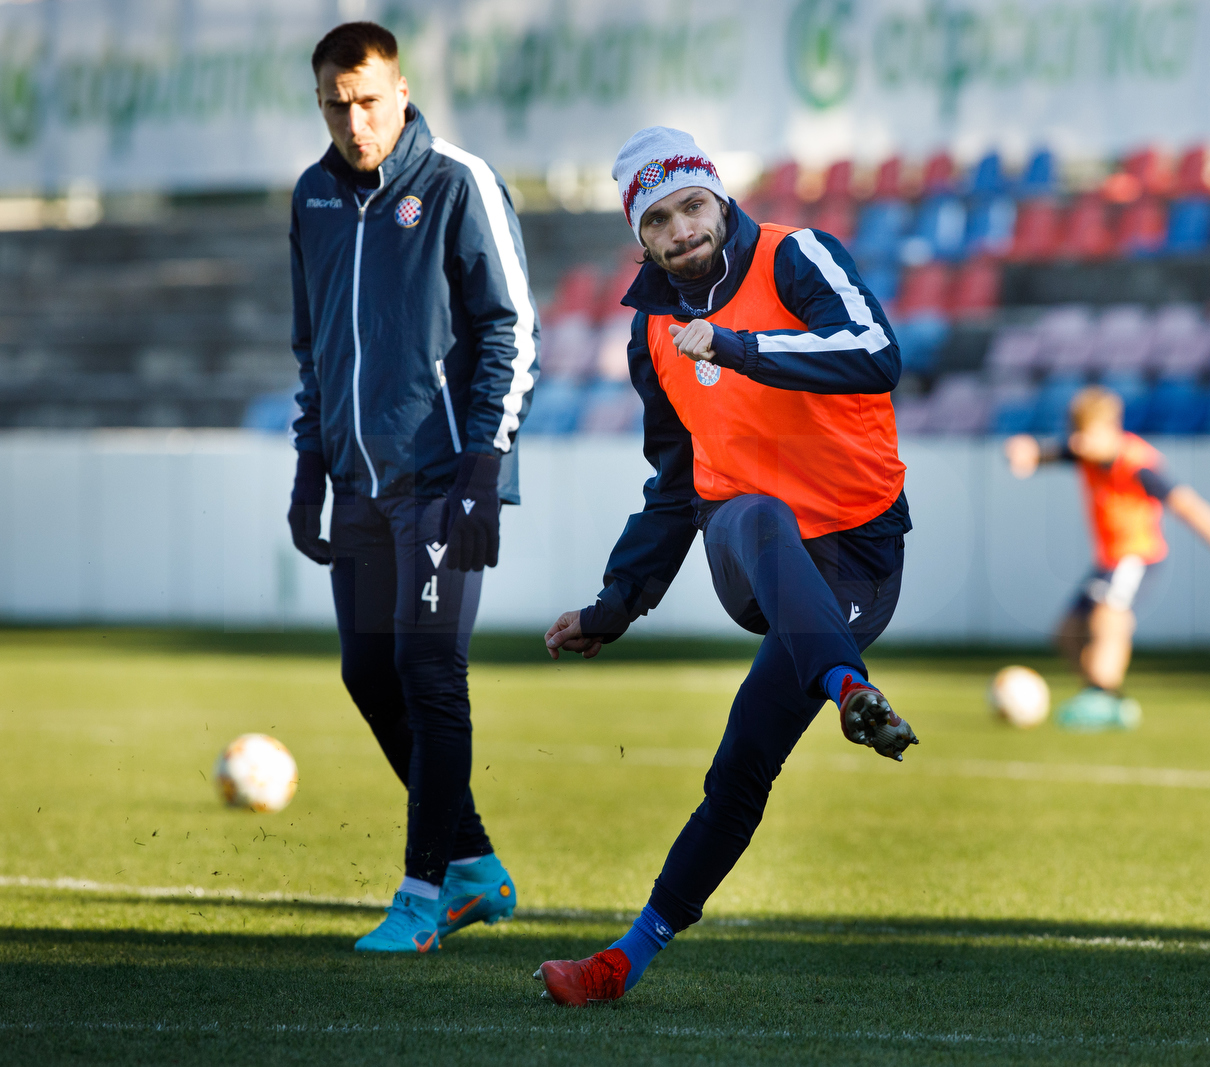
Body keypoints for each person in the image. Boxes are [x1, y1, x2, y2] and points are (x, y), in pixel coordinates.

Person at [535, 127, 916, 1006]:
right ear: (641, 236)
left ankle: (619, 962)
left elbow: (876, 355)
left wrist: (736, 345)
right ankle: (853, 692)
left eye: (692, 205)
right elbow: (674, 487)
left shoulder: (799, 256)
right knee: (746, 510)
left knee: (739, 766)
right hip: (751, 550)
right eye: (658, 218)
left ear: (719, 198)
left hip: (857, 560)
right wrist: (615, 602)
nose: (680, 229)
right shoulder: (652, 335)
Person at [286, 21, 538, 952]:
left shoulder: (456, 182)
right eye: (334, 104)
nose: (354, 121)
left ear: (400, 89)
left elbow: (513, 334)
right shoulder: (312, 196)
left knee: (431, 675)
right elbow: (312, 348)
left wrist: (481, 470)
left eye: (367, 100)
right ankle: (472, 863)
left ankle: (422, 897)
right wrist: (310, 467)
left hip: (442, 482)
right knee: (367, 673)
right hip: (358, 484)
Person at [1005, 386, 1210, 728]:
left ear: (1111, 428)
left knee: (1109, 614)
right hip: (1109, 560)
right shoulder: (1087, 451)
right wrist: (1030, 454)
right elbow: (1052, 453)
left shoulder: (1137, 464)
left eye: (1086, 435)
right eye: (1075, 434)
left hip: (1137, 556)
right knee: (1067, 634)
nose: (1078, 443)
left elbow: (1189, 507)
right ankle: (1107, 701)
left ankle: (1102, 694)